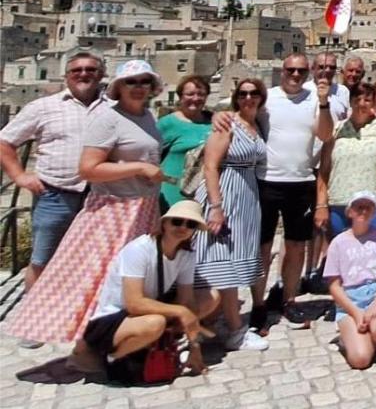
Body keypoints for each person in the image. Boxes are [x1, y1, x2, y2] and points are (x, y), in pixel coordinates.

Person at [4, 60, 168, 364]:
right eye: (131, 81)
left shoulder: (147, 116)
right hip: (106, 208)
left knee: (119, 277)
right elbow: (88, 168)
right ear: (118, 86)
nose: (138, 87)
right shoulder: (107, 117)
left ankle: (109, 340)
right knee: (69, 268)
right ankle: (68, 340)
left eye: (144, 81)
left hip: (139, 208)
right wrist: (20, 176)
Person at [0, 51, 107, 297]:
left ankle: (75, 312)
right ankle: (34, 312)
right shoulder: (43, 107)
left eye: (90, 69)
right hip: (55, 194)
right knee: (43, 259)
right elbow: (5, 142)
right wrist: (20, 176)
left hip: (100, 197)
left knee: (92, 259)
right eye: (76, 70)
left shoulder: (113, 108)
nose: (83, 74)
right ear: (66, 76)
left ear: (101, 74)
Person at [82, 201, 218, 377]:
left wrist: (195, 345)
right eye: (177, 221)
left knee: (210, 297)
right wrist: (180, 311)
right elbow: (134, 303)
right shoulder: (139, 250)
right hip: (113, 319)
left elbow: (187, 300)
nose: (183, 227)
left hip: (149, 309)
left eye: (190, 224)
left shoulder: (186, 255)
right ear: (165, 223)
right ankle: (113, 357)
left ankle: (162, 342)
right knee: (155, 323)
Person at [249, 53, 334, 331]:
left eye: (301, 71)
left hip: (301, 182)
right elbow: (240, 114)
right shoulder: (267, 98)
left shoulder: (316, 99)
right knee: (263, 248)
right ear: (282, 70)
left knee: (297, 246)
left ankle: (289, 300)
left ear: (308, 72)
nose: (295, 75)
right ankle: (258, 305)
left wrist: (324, 102)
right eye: (290, 70)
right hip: (267, 181)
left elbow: (325, 135)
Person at [192, 78, 270, 352]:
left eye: (254, 93)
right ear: (236, 97)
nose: (248, 98)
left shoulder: (257, 124)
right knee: (221, 260)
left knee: (234, 260)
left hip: (247, 197)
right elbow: (210, 166)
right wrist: (216, 206)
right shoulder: (227, 124)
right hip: (225, 194)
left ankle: (213, 325)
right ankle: (236, 331)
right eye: (243, 93)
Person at [323, 191, 376, 368]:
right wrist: (356, 313)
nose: (363, 211)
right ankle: (348, 338)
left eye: (368, 208)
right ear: (350, 212)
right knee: (360, 359)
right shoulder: (338, 243)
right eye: (359, 207)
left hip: (375, 293)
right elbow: (334, 286)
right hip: (350, 299)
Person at [318, 82, 376, 236]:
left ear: (373, 103)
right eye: (357, 100)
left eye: (367, 100)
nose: (361, 104)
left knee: (370, 249)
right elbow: (325, 169)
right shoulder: (335, 130)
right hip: (339, 203)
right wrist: (321, 205)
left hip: (372, 203)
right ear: (350, 102)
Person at [158, 74, 214, 208]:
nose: (196, 98)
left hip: (204, 192)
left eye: (201, 94)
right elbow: (150, 158)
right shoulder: (167, 124)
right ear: (180, 96)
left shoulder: (213, 122)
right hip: (173, 191)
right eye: (190, 94)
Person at [308, 52, 350, 119]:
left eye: (332, 67)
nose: (328, 70)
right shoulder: (303, 90)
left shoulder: (343, 91)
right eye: (322, 67)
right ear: (313, 68)